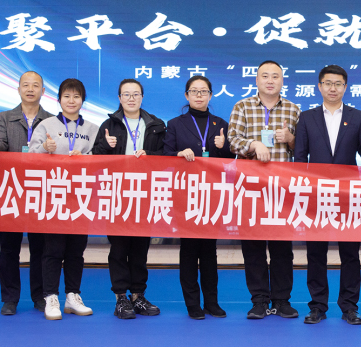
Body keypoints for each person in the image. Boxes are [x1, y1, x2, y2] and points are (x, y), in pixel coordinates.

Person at [294, 65, 361, 326]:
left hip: (348, 194)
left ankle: (349, 306)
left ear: (345, 87)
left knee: (350, 253)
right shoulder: (307, 117)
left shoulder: (357, 116)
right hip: (317, 195)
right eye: (328, 83)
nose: (333, 88)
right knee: (316, 253)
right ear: (319, 86)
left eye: (338, 84)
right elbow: (300, 158)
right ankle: (317, 306)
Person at [227, 60, 301, 320]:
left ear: (282, 81)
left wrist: (290, 139)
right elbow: (232, 140)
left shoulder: (293, 109)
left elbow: (302, 147)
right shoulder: (242, 106)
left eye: (275, 76)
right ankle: (259, 300)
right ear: (256, 80)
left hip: (282, 189)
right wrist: (253, 144)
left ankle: (282, 300)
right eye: (265, 76)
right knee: (253, 247)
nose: (270, 81)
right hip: (251, 188)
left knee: (282, 249)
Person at [93, 79, 166, 319]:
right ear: (119, 98)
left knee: (140, 248)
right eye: (126, 94)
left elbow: (166, 156)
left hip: (145, 193)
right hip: (117, 194)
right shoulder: (109, 125)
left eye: (136, 94)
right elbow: (95, 159)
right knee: (119, 248)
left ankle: (138, 296)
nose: (131, 98)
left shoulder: (156, 125)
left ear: (142, 97)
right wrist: (105, 145)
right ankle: (120, 298)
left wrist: (150, 154)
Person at [29, 78, 99, 320]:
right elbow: (30, 157)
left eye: (76, 96)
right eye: (67, 96)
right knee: (53, 249)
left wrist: (86, 157)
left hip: (81, 197)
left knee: (76, 250)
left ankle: (72, 295)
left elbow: (101, 158)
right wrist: (45, 148)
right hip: (54, 196)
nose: (71, 101)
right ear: (58, 99)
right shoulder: (45, 125)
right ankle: (50, 296)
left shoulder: (92, 128)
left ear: (83, 100)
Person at [164, 75, 233, 320]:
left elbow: (230, 160)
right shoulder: (175, 124)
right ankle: (192, 304)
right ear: (187, 95)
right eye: (194, 91)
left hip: (212, 195)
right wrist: (178, 153)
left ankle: (212, 302)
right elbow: (165, 155)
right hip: (185, 195)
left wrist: (224, 147)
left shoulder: (220, 123)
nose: (199, 95)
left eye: (204, 91)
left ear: (211, 95)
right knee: (189, 251)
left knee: (209, 251)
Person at [0, 71, 54, 316]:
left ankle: (40, 296)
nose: (30, 89)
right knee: (9, 248)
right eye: (25, 85)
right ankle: (10, 299)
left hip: (41, 190)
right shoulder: (4, 118)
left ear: (43, 91)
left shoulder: (52, 120)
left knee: (41, 248)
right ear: (18, 89)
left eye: (35, 85)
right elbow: (1, 147)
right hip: (12, 189)